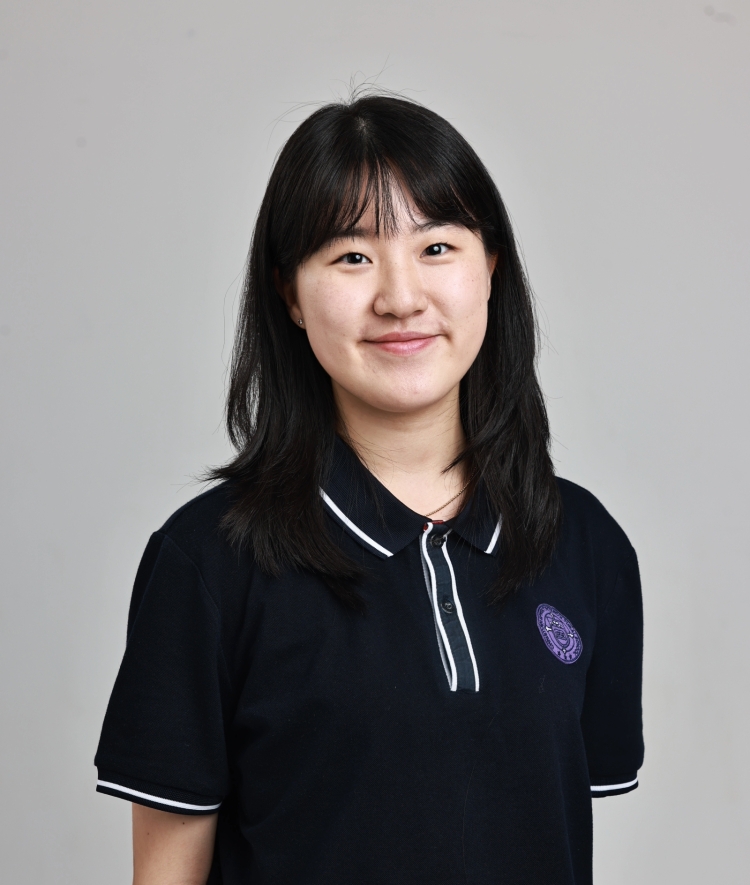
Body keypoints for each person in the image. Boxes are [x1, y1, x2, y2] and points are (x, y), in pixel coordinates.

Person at [95, 93, 643, 885]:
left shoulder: (585, 544)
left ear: (490, 266)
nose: (399, 297)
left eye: (437, 247)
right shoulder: (208, 562)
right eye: (352, 256)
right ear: (289, 292)